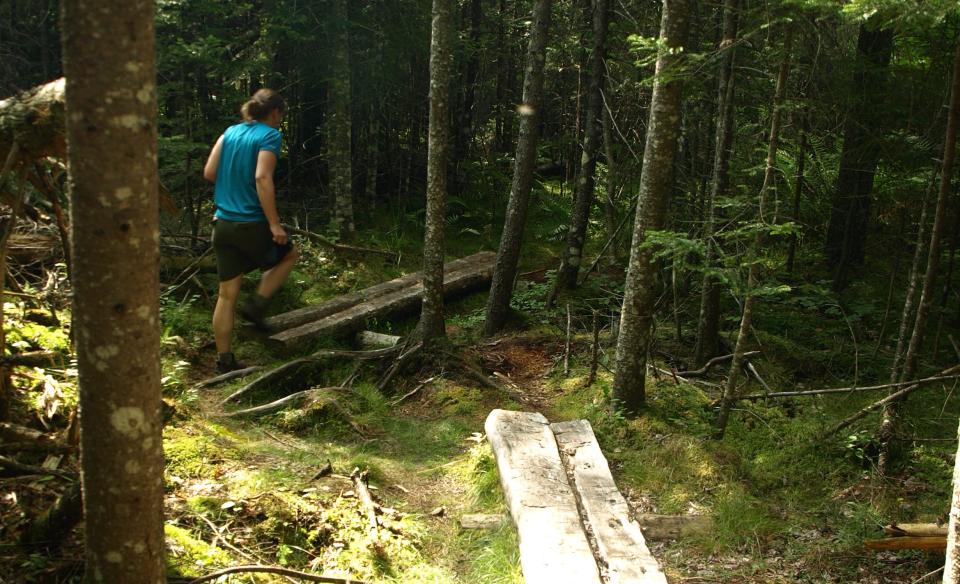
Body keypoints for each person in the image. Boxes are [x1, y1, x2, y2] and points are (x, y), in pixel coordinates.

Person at [203, 88, 298, 373]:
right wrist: (273, 224)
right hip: (251, 222)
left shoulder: (229, 133)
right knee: (289, 254)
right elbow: (262, 177)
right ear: (274, 112)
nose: (281, 121)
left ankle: (225, 360)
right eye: (281, 115)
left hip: (222, 224)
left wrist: (231, 185)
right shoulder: (270, 135)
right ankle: (256, 306)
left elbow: (209, 172)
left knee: (226, 294)